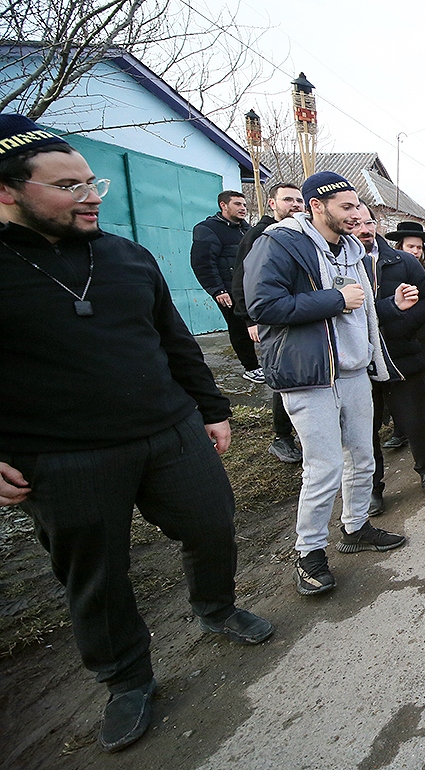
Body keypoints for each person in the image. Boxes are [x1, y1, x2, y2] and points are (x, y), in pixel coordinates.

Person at [0, 115, 272, 753]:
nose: (93, 195)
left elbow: (175, 339)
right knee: (97, 575)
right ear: (9, 191)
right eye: (69, 186)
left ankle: (215, 608)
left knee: (211, 523)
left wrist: (211, 407)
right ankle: (126, 678)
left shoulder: (127, 255)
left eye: (92, 181)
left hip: (168, 429)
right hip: (62, 459)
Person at [244, 172, 407, 596]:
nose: (357, 215)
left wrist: (388, 306)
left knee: (362, 457)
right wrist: (335, 300)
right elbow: (262, 305)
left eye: (358, 207)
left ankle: (355, 528)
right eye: (348, 207)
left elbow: (361, 311)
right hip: (310, 375)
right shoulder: (280, 243)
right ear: (317, 206)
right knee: (324, 468)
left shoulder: (354, 250)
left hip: (353, 371)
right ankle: (310, 553)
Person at [353, 207, 425, 511]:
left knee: (416, 419)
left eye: (368, 222)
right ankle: (373, 488)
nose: (364, 228)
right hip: (358, 363)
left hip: (402, 354)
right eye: (357, 223)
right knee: (365, 431)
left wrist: (401, 327)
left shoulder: (401, 261)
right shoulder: (336, 264)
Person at [232, 182, 305, 464]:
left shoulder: (303, 232)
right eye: (288, 200)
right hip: (271, 320)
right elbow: (242, 280)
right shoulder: (259, 235)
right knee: (283, 377)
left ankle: (301, 432)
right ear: (272, 204)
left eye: (299, 200)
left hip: (299, 315)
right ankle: (282, 438)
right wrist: (250, 320)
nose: (295, 205)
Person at [190, 189, 261, 382]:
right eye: (238, 204)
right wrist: (217, 290)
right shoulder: (208, 229)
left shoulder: (246, 229)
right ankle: (251, 367)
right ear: (223, 205)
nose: (243, 208)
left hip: (251, 287)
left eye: (244, 205)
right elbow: (202, 262)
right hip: (228, 290)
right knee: (239, 327)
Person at [385, 220, 425, 427]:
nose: (416, 251)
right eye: (411, 246)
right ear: (399, 246)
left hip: (422, 333)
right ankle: (400, 428)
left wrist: (407, 321)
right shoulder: (386, 269)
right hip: (393, 336)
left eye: (419, 247)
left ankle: (424, 421)